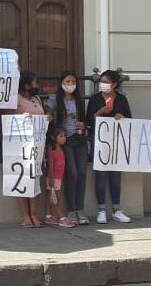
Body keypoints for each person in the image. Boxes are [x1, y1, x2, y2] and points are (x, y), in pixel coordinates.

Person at [86, 69, 133, 224]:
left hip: (116, 142)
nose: (103, 84)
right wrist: (100, 112)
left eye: (106, 82)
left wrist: (122, 117)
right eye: (101, 81)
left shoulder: (121, 99)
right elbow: (88, 121)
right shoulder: (95, 99)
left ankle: (116, 210)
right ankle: (101, 210)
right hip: (99, 141)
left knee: (115, 176)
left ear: (114, 85)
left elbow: (130, 119)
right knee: (100, 175)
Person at [46, 70, 89, 225]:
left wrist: (84, 124)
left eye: (73, 82)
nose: (70, 85)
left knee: (82, 173)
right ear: (62, 83)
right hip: (66, 140)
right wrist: (49, 116)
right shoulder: (55, 99)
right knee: (73, 173)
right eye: (67, 82)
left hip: (80, 139)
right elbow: (48, 113)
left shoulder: (79, 100)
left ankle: (80, 209)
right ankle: (71, 210)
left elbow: (85, 119)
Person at [11, 70, 45, 228]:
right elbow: (7, 117)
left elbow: (42, 115)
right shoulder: (15, 99)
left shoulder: (37, 99)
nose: (37, 85)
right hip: (19, 145)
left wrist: (47, 118)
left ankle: (34, 214)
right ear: (26, 85)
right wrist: (22, 117)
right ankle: (25, 215)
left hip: (36, 145)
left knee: (34, 178)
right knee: (21, 179)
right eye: (35, 82)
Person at [44, 128, 76, 228]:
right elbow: (50, 164)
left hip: (58, 178)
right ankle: (62, 218)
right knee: (56, 198)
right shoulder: (51, 149)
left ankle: (48, 215)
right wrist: (51, 178)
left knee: (51, 196)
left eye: (65, 136)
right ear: (54, 137)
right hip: (53, 178)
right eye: (60, 136)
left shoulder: (62, 149)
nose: (63, 138)